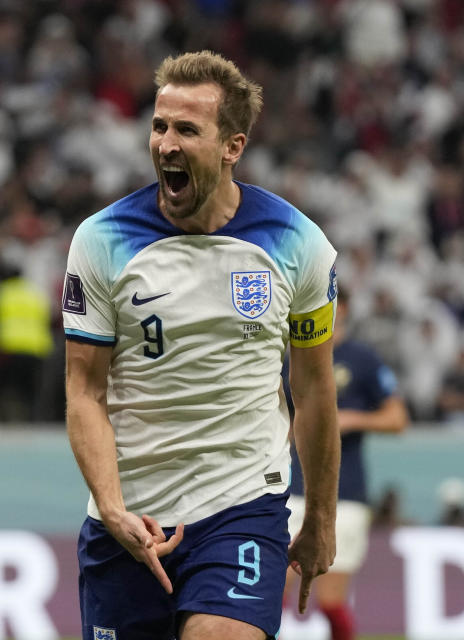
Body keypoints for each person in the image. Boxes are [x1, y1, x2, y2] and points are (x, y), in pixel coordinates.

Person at [63, 50, 340, 640]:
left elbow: (314, 392)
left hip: (241, 506)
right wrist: (112, 508)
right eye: (160, 125)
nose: (166, 143)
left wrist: (319, 515)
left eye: (187, 129)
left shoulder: (297, 243)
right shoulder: (101, 239)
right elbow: (84, 391)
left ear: (231, 146)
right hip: (130, 517)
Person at [282, 288, 408, 640]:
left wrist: (351, 419)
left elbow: (397, 418)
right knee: (276, 586)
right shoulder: (292, 356)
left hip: (346, 493)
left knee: (331, 599)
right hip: (290, 488)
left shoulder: (362, 359)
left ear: (345, 308)